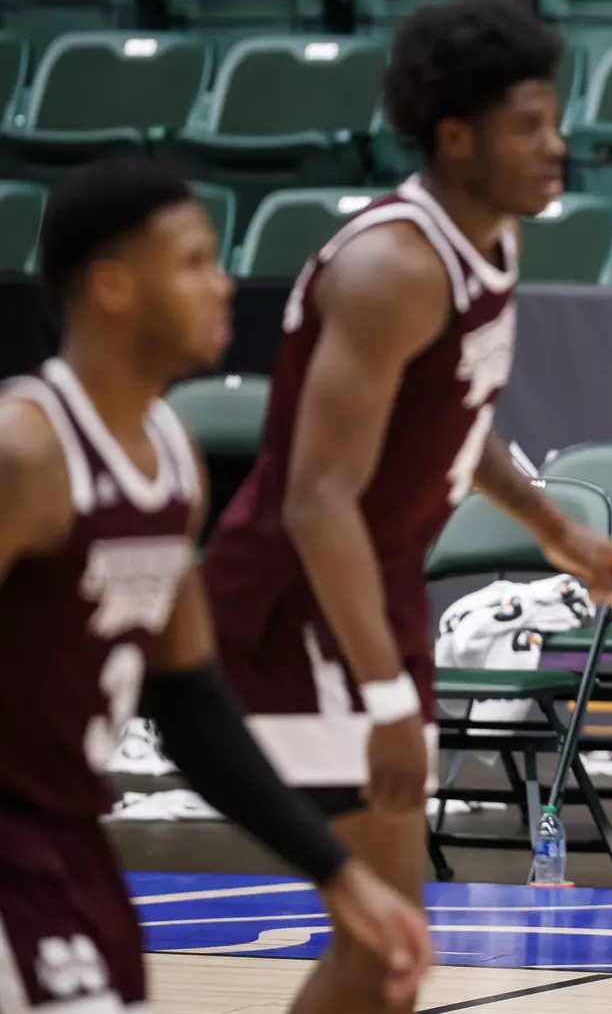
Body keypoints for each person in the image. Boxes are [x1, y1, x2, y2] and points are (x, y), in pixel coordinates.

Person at [201, 0, 612, 1012]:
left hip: (375, 587)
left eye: (555, 118)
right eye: (528, 126)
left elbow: (453, 414)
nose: (557, 146)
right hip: (298, 601)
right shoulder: (393, 266)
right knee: (381, 939)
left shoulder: (489, 236)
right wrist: (393, 700)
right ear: (456, 136)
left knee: (391, 946)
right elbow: (317, 502)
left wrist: (557, 531)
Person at [0, 160, 432, 1013]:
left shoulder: (172, 459)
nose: (222, 282)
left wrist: (337, 872)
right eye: (193, 262)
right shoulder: (26, 452)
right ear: (114, 285)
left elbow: (191, 705)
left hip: (76, 853)